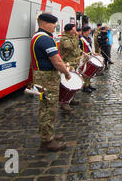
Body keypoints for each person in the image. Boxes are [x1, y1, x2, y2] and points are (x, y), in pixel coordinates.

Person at [31, 13, 71, 152]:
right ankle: (47, 141)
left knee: (46, 107)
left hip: (43, 77)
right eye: (52, 23)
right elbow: (56, 61)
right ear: (43, 24)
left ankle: (49, 134)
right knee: (49, 109)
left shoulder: (39, 37)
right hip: (47, 78)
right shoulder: (44, 39)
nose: (55, 26)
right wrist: (66, 72)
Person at [58, 23, 83, 111]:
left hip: (74, 63)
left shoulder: (72, 37)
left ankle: (70, 99)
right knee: (67, 84)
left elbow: (76, 48)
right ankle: (64, 102)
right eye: (74, 29)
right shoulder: (65, 38)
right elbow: (70, 47)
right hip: (68, 64)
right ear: (70, 30)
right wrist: (76, 36)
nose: (75, 30)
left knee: (72, 83)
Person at [79, 26, 97, 93]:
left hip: (89, 56)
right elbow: (78, 49)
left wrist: (93, 53)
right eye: (89, 31)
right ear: (84, 31)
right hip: (84, 57)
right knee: (84, 73)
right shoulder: (80, 39)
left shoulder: (89, 38)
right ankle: (85, 87)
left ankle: (88, 84)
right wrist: (83, 53)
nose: (90, 32)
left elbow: (90, 47)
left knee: (89, 72)